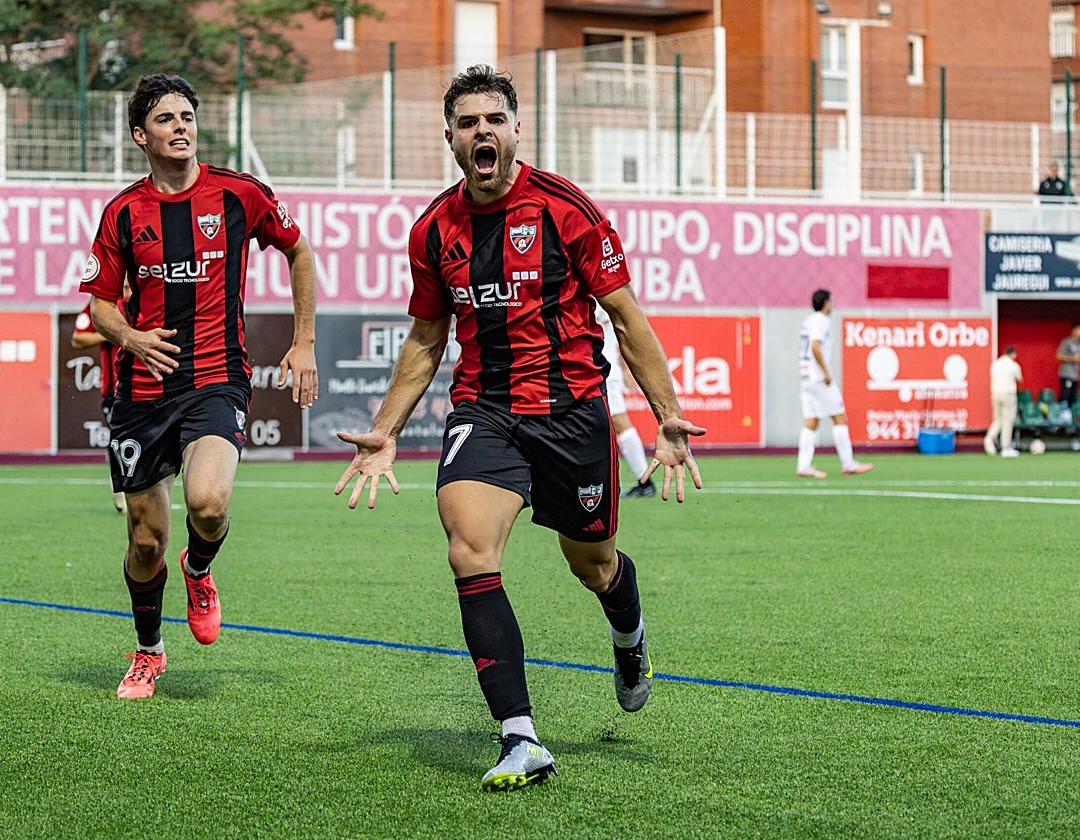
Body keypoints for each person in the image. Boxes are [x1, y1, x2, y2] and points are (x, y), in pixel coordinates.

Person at [334, 65, 705, 792]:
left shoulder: (567, 210)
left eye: (494, 120)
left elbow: (627, 321)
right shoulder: (433, 230)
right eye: (468, 122)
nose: (482, 132)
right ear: (449, 137)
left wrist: (667, 418)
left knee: (593, 566)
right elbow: (424, 341)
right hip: (485, 409)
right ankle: (520, 736)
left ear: (515, 130)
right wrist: (384, 429)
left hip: (571, 412)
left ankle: (628, 636)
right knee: (470, 551)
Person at [79, 73, 319, 700]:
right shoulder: (123, 213)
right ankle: (149, 651)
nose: (181, 126)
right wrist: (129, 338)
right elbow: (101, 307)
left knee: (208, 504)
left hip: (216, 378)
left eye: (188, 116)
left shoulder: (239, 195)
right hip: (140, 392)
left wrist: (304, 341)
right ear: (141, 135)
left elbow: (300, 251)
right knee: (144, 540)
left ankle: (201, 567)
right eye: (166, 119)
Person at [796, 288, 872, 479]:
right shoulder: (822, 320)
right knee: (839, 418)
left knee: (811, 422)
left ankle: (803, 466)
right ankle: (848, 463)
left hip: (805, 377)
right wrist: (825, 372)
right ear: (826, 303)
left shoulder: (807, 321)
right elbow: (815, 345)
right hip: (818, 377)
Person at [71, 283, 130, 513]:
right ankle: (120, 491)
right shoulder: (104, 305)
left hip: (147, 384)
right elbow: (78, 338)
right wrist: (110, 332)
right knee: (118, 439)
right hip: (115, 389)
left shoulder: (148, 299)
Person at [596, 302, 655, 498]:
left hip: (602, 371)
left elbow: (621, 330)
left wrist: (626, 367)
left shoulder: (595, 296)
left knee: (620, 423)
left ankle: (644, 480)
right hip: (595, 371)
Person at [985, 345, 1023, 457]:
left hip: (995, 394)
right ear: (1013, 354)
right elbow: (1020, 379)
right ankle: (1006, 447)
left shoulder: (995, 364)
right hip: (1008, 394)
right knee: (1008, 421)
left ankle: (989, 439)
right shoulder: (1013, 365)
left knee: (998, 420)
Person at [1056, 322, 1080, 407]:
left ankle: (1071, 417)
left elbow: (1077, 358)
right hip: (1066, 374)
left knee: (1073, 398)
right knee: (1064, 397)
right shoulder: (1066, 342)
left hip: (1075, 375)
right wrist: (1072, 359)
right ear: (1074, 330)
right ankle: (1063, 417)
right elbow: (1058, 356)